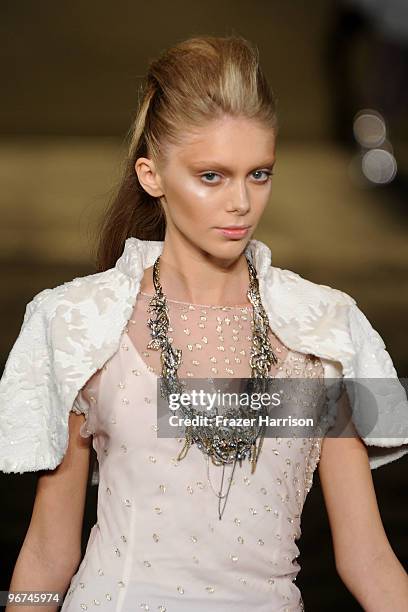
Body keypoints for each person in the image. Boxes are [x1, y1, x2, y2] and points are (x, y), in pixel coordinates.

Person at [1, 35, 408, 612]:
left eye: (259, 174)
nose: (240, 202)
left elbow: (369, 559)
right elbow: (47, 554)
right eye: (211, 176)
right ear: (152, 175)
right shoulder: (73, 322)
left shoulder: (333, 327)